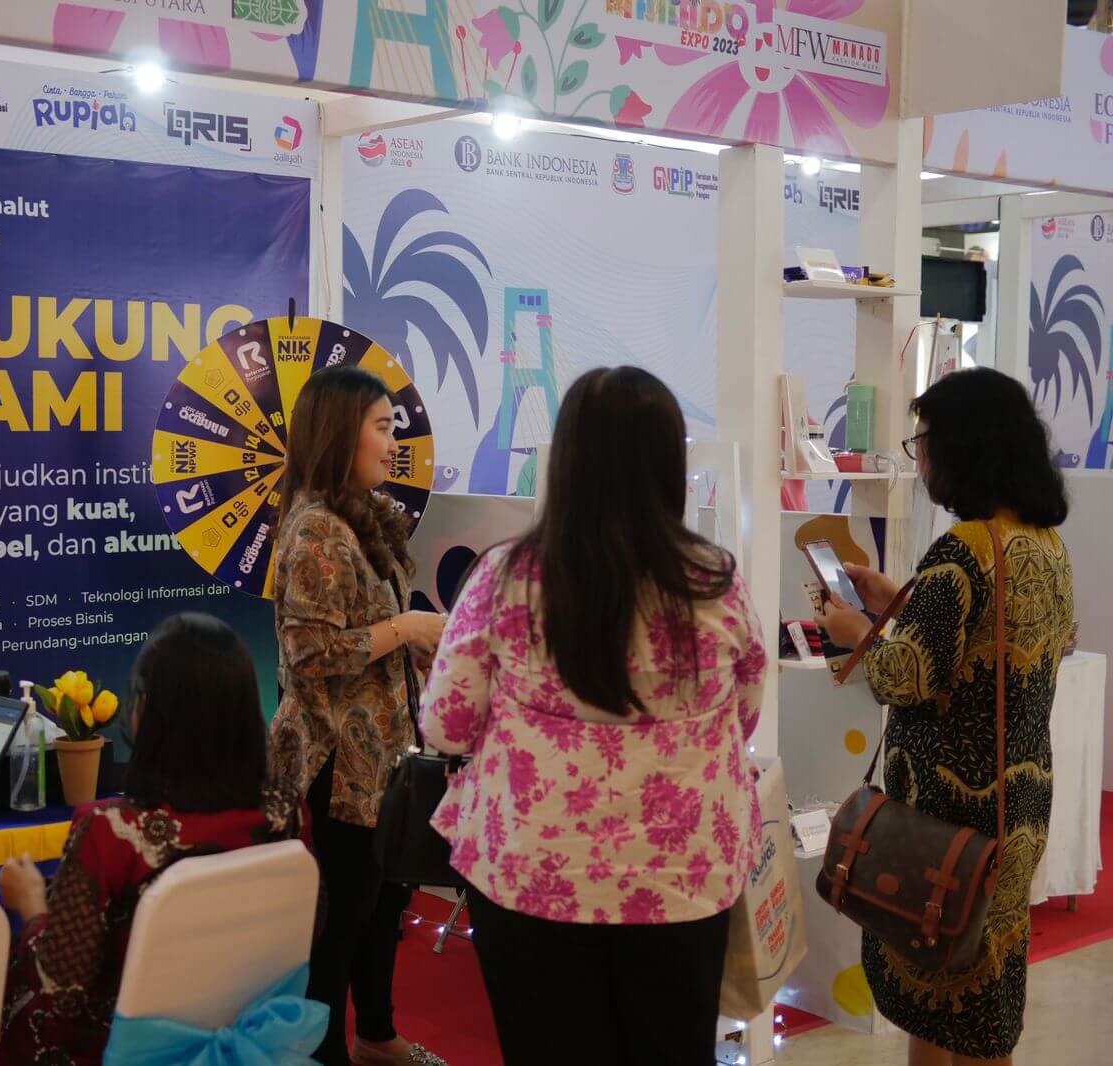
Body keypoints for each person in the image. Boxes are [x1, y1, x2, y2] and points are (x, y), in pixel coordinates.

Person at [418, 367, 767, 1065]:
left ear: (568, 460)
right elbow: (746, 713)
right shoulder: (714, 583)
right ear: (668, 464)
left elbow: (445, 724)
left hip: (531, 871)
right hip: (683, 877)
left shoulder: (505, 577)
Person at [818, 367, 1074, 1066]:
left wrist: (853, 632)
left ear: (964, 445)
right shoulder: (1041, 544)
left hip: (945, 816)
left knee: (934, 969)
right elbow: (991, 644)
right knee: (984, 985)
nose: (920, 456)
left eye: (923, 439)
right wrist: (900, 601)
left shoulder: (963, 549)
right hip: (1016, 806)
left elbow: (906, 678)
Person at [0, 614, 314, 1066]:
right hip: (251, 1041)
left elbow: (58, 995)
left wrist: (31, 905)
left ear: (147, 711)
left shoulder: (111, 832)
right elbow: (307, 929)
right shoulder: (287, 812)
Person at [268, 366, 446, 1066]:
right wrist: (406, 628)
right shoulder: (317, 529)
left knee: (382, 906)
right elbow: (310, 654)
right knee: (340, 919)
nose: (392, 442)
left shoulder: (360, 518)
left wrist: (415, 646)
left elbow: (371, 638)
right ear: (342, 433)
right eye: (380, 426)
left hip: (382, 760)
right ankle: (324, 1052)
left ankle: (376, 1034)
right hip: (334, 764)